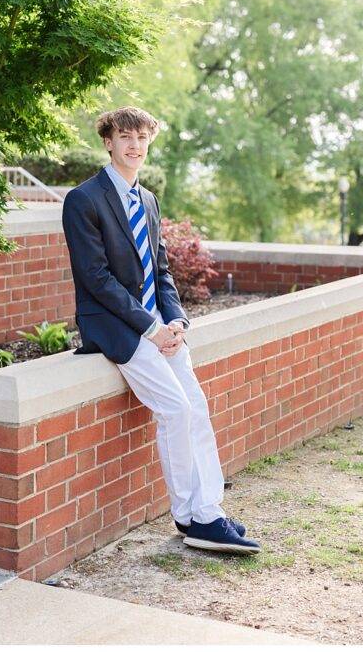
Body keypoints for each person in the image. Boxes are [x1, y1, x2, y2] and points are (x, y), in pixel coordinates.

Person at [61, 107, 259, 555]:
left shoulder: (148, 200)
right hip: (117, 327)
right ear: (108, 142)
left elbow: (161, 270)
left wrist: (176, 321)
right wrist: (151, 328)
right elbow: (96, 278)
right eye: (125, 136)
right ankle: (196, 516)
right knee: (175, 409)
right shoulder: (83, 199)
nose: (135, 145)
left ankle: (203, 512)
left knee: (197, 408)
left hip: (159, 327)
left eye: (142, 137)